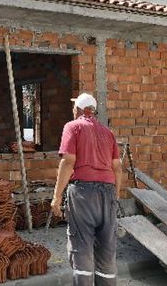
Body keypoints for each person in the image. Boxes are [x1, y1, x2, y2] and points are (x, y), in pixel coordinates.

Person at [50, 93, 122, 286]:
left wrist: (56, 197)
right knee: (106, 247)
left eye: (74, 107)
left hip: (83, 193)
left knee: (81, 246)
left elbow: (68, 162)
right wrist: (116, 195)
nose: (73, 110)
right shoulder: (108, 133)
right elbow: (117, 167)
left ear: (79, 109)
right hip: (108, 193)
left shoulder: (72, 127)